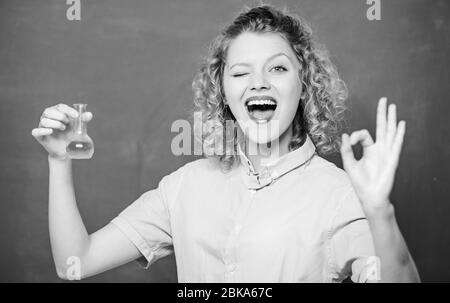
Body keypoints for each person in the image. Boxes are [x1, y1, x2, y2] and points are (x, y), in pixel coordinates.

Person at [31, 5, 420, 282]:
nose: (259, 82)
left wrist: (378, 210)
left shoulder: (339, 195)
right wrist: (58, 161)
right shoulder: (185, 186)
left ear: (304, 86)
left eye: (278, 68)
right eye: (240, 72)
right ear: (224, 91)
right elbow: (74, 263)